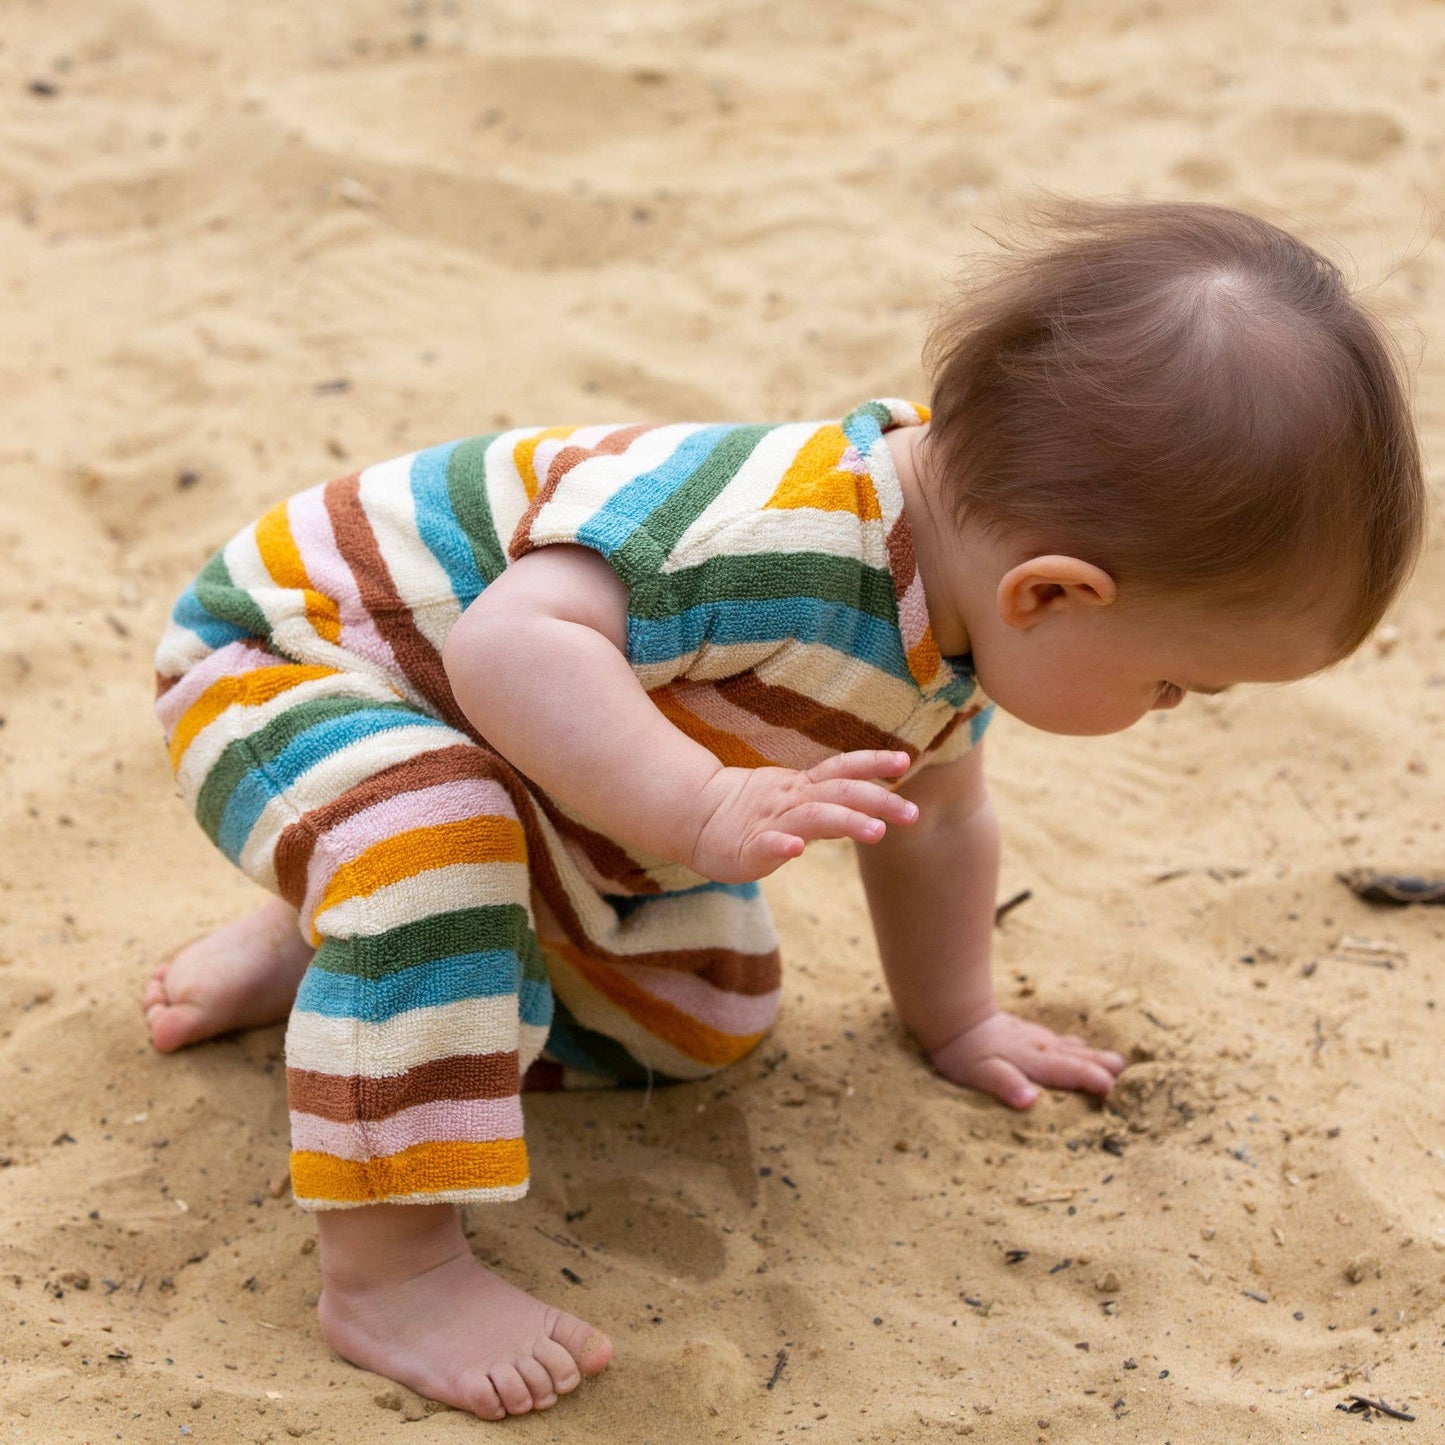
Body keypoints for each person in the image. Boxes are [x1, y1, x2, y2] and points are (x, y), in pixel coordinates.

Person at [142, 201, 1426, 1420]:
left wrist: (956, 1015)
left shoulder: (957, 609)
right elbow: (507, 648)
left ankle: (338, 947)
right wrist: (700, 800)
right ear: (1051, 593)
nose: (1167, 707)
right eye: (1172, 683)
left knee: (704, 1017)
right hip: (308, 663)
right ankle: (392, 1270)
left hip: (522, 763)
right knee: (433, 844)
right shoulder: (773, 540)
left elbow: (939, 817)